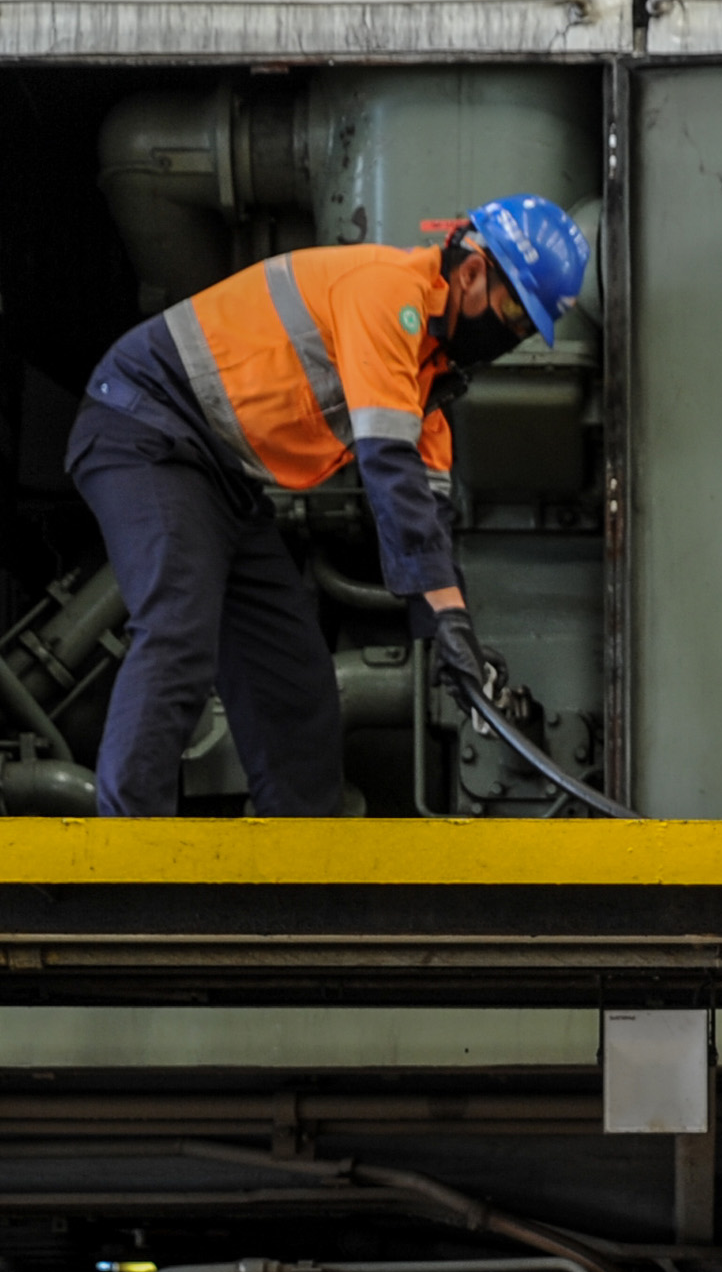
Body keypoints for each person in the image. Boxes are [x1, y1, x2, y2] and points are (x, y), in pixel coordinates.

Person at [63, 194, 592, 818]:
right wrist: (439, 616)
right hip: (145, 426)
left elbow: (427, 515)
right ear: (472, 270)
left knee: (293, 683)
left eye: (527, 328)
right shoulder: (387, 293)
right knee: (178, 631)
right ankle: (125, 865)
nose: (511, 335)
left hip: (219, 479)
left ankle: (298, 879)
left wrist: (456, 634)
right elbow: (388, 467)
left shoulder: (428, 374)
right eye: (512, 311)